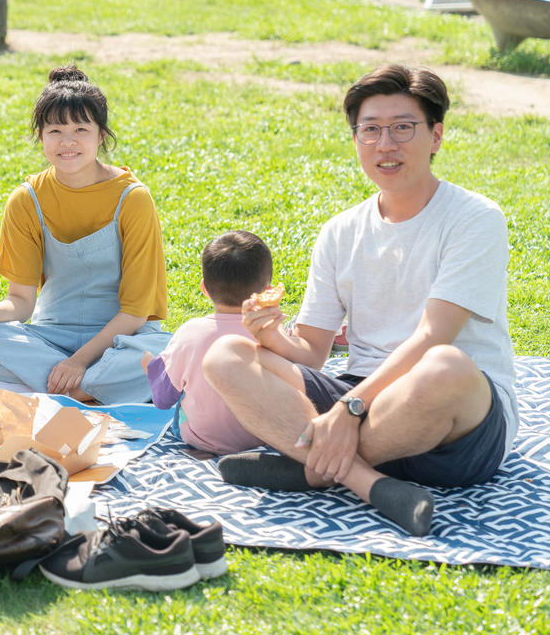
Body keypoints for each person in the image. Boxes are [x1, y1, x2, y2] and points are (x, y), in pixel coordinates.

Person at [202, 65, 515, 537]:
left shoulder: (475, 219)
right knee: (226, 355)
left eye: (402, 127)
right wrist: (270, 336)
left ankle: (308, 468)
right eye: (370, 130)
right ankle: (362, 480)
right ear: (356, 140)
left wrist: (349, 411)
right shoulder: (340, 231)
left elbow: (433, 337)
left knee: (445, 365)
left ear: (436, 136)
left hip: (454, 424)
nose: (385, 144)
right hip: (360, 394)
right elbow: (312, 352)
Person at [0, 65, 171, 404]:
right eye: (55, 130)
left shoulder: (133, 198)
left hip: (123, 338)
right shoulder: (26, 199)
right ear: (40, 135)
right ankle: (92, 390)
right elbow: (22, 302)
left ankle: (67, 387)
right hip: (52, 335)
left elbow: (135, 313)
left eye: (81, 129)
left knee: (165, 353)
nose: (67, 142)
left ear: (101, 135)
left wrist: (78, 362)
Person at [144, 231, 276, 454]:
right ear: (267, 291)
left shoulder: (190, 332)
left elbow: (163, 399)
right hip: (264, 440)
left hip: (201, 439)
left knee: (172, 385)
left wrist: (150, 368)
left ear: (204, 288)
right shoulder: (273, 334)